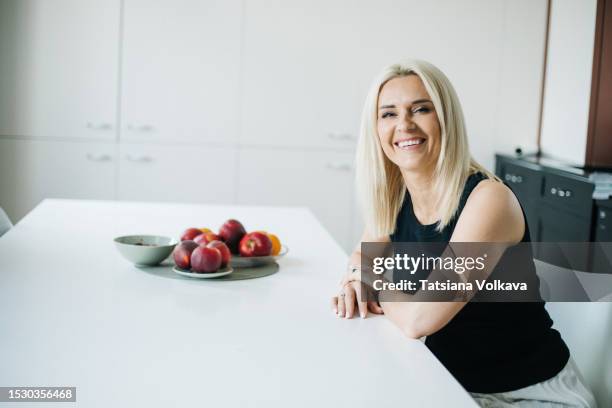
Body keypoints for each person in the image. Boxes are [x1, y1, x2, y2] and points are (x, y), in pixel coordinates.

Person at [331, 59, 596, 407]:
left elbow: (419, 319)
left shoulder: (488, 200)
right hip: (451, 385)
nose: (404, 125)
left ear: (445, 118)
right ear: (376, 129)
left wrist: (374, 281)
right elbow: (362, 258)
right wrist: (357, 277)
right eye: (389, 114)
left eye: (421, 109)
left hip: (528, 396)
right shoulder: (396, 196)